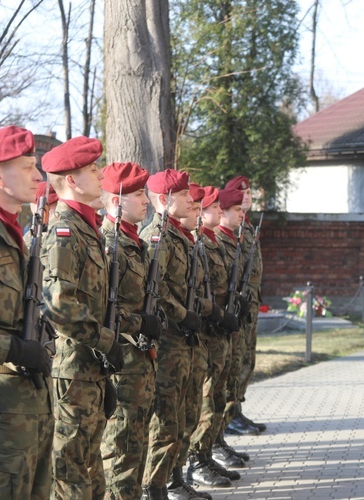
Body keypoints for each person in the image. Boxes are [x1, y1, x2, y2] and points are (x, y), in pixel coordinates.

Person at [0, 125, 53, 498]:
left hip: (32, 405)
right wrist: (14, 350)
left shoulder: (18, 232)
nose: (38, 176)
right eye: (26, 166)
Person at [40, 135, 125, 498]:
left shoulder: (87, 228)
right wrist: (108, 341)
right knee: (71, 473)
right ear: (72, 181)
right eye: (92, 169)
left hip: (91, 369)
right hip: (73, 371)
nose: (101, 174)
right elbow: (59, 306)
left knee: (91, 472)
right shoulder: (65, 232)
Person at [139, 170, 210, 500]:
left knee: (186, 414)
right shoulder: (158, 238)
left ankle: (174, 476)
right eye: (184, 196)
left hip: (186, 341)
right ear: (164, 201)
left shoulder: (180, 236)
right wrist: (184, 315)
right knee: (166, 419)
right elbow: (156, 289)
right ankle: (155, 486)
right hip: (168, 341)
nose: (191, 200)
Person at [98, 162, 164, 499]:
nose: (146, 201)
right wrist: (141, 323)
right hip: (121, 362)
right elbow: (102, 311)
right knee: (122, 450)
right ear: (115, 201)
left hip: (140, 362)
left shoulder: (133, 243)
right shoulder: (107, 244)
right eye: (139, 194)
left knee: (136, 447)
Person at [188, 186, 242, 487]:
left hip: (219, 331)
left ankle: (207, 452)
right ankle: (197, 459)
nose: (219, 212)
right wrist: (218, 313)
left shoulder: (214, 242)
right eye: (209, 207)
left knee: (217, 397)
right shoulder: (199, 243)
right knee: (205, 401)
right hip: (206, 333)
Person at [211, 188, 250, 470]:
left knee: (226, 385)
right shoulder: (209, 242)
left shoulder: (224, 241)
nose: (242, 213)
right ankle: (202, 455)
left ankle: (215, 441)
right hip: (205, 331)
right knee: (206, 397)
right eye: (235, 208)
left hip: (227, 324)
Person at [223, 175, 265, 436]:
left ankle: (236, 409)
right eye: (241, 194)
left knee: (247, 360)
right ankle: (229, 414)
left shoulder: (247, 225)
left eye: (249, 193)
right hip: (236, 305)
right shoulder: (232, 227)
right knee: (235, 362)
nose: (247, 197)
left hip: (250, 302)